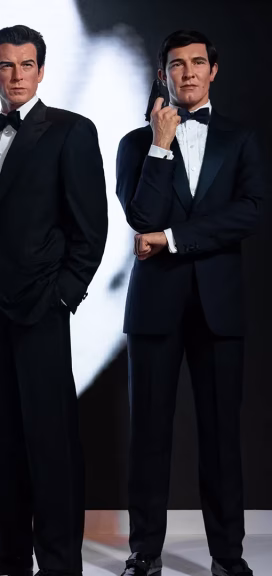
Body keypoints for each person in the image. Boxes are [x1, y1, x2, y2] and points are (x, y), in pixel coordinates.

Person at [0, 24, 107, 576]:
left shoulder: (71, 131)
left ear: (41, 71)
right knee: (1, 439)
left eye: (26, 65)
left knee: (50, 441)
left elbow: (90, 230)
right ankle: (8, 555)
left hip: (42, 309)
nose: (16, 76)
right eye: (6, 66)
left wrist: (62, 297)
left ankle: (59, 563)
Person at [114, 29, 263, 576]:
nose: (189, 72)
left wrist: (173, 239)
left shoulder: (240, 139)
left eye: (198, 62)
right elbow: (141, 217)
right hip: (155, 307)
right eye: (177, 65)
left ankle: (228, 556)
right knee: (148, 436)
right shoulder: (135, 144)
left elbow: (252, 211)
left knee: (222, 438)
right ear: (164, 75)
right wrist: (160, 144)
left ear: (213, 70)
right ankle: (144, 553)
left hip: (219, 307)